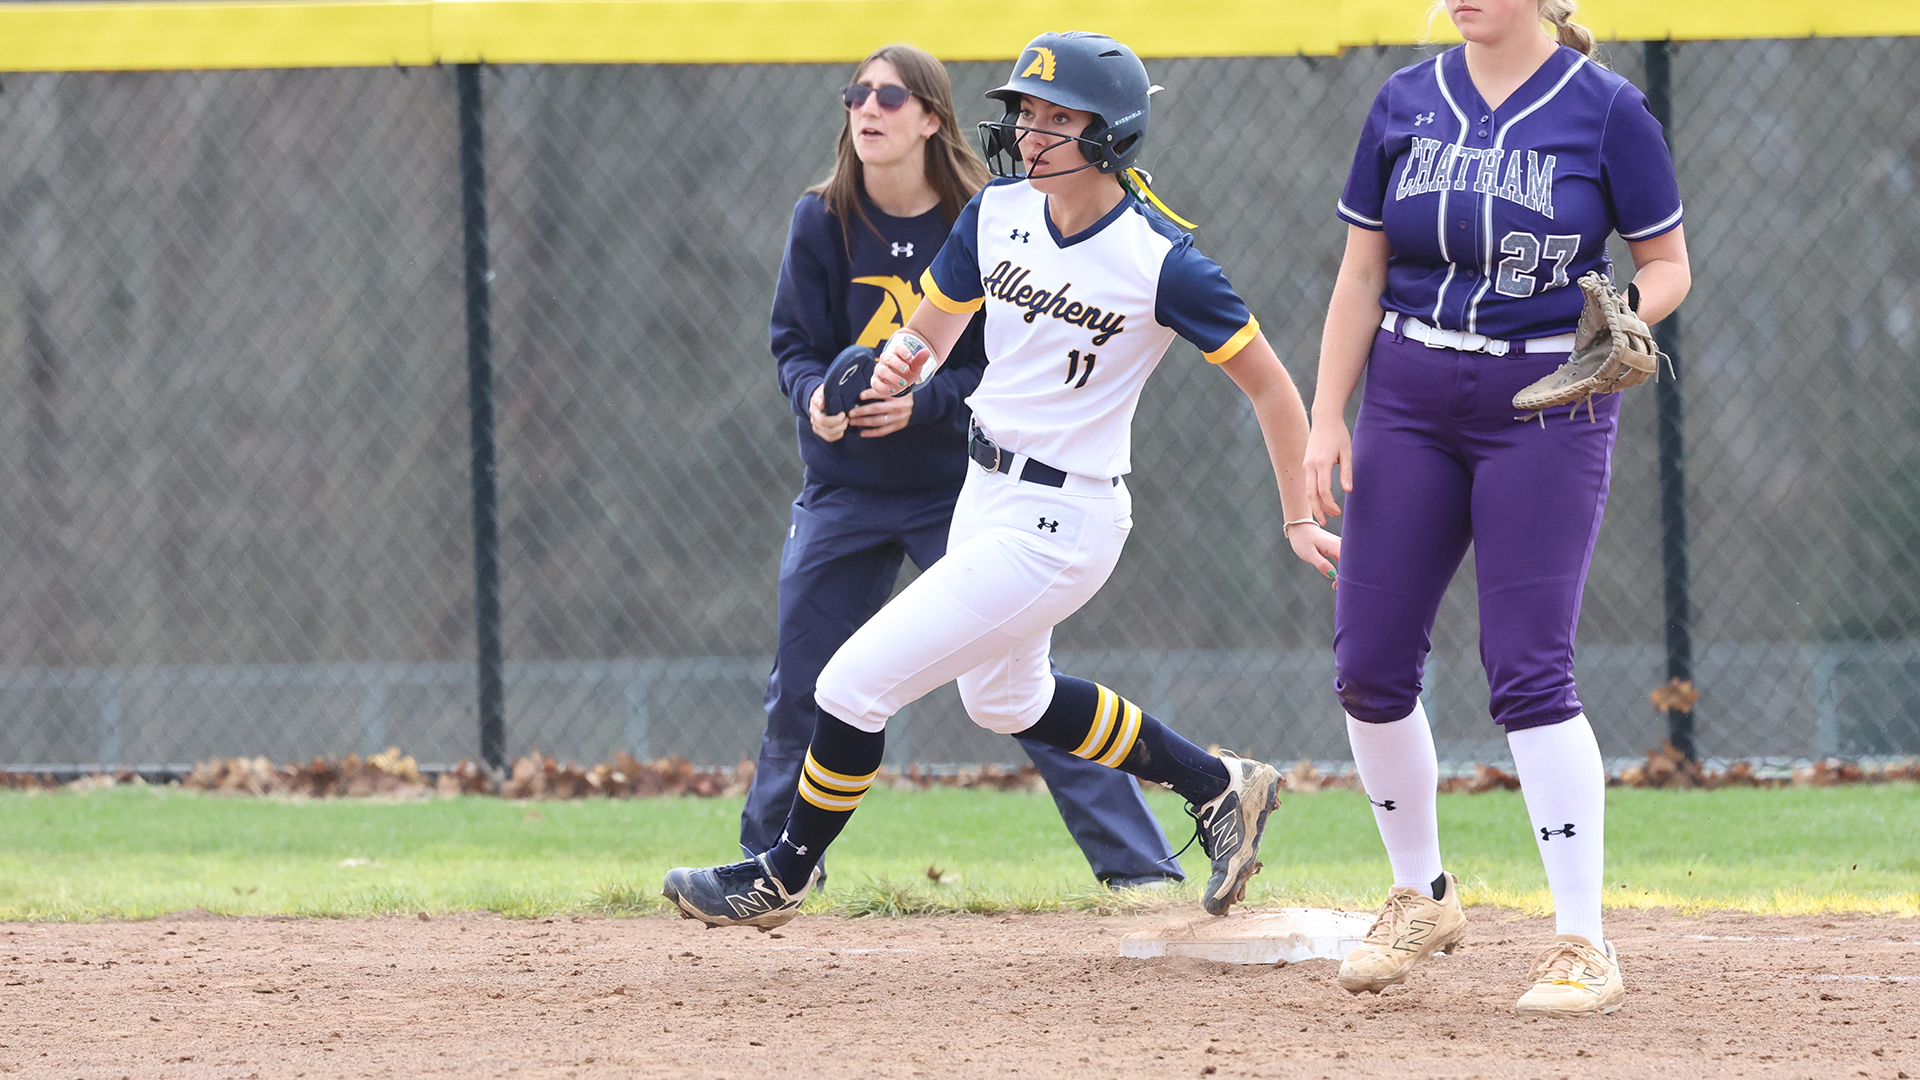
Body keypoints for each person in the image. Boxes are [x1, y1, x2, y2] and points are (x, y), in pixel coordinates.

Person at [667, 29, 1339, 930]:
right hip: (984, 493)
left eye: (1058, 118)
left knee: (850, 684)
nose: (1031, 132)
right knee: (1006, 701)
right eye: (1025, 112)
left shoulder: (1160, 258)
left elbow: (1270, 386)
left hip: (1067, 517)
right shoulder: (995, 214)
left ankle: (780, 876)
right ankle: (1221, 785)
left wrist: (1298, 517)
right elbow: (929, 334)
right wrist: (886, 366)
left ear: (1113, 133)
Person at [1304, 0, 1690, 1017]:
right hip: (1408, 394)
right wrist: (1324, 417)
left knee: (1527, 668)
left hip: (1547, 401)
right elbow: (1360, 272)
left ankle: (1582, 942)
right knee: (1369, 664)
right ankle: (1420, 892)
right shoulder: (1404, 99)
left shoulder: (1607, 110)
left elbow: (1667, 263)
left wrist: (1623, 316)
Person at [742, 42, 1186, 890]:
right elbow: (795, 348)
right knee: (804, 682)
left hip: (961, 486)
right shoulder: (822, 219)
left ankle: (1138, 870)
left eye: (891, 96)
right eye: (856, 94)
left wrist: (926, 402)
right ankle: (772, 865)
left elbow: (1013, 366)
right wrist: (816, 403)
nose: (867, 108)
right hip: (845, 488)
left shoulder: (990, 212)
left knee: (1016, 693)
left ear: (931, 117)